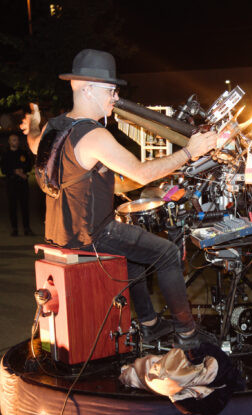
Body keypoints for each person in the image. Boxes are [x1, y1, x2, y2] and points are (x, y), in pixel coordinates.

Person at [20, 48, 218, 349]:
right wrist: (192, 151)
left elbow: (34, 141)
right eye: (110, 91)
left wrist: (33, 121)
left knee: (135, 255)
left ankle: (150, 324)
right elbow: (140, 172)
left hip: (58, 234)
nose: (115, 98)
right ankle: (188, 334)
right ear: (87, 88)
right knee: (164, 252)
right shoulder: (94, 135)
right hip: (92, 236)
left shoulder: (52, 127)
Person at [0, 133, 34, 236]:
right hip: (11, 184)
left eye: (16, 140)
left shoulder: (23, 153)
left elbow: (29, 165)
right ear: (9, 142)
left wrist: (22, 170)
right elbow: (4, 169)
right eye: (13, 140)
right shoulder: (6, 155)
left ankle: (27, 228)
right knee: (12, 207)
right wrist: (15, 172)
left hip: (23, 183)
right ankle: (14, 229)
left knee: (25, 206)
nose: (15, 141)